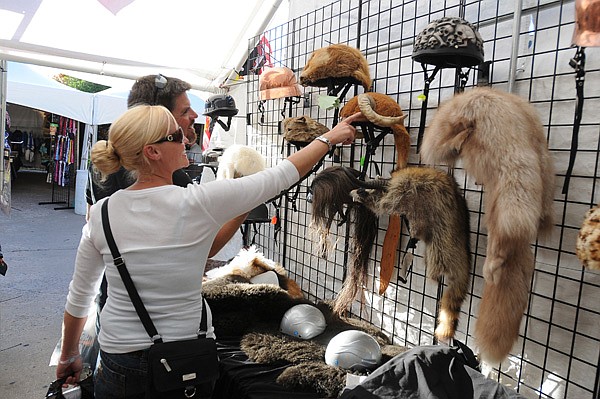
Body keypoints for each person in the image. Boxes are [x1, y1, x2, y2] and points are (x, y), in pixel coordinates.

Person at [56, 104, 362, 397]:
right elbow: (281, 175)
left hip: (119, 360)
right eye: (176, 136)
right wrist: (329, 137)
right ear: (152, 151)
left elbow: (80, 296)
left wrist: (69, 355)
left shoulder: (101, 213)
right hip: (186, 360)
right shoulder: (198, 202)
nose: (186, 139)